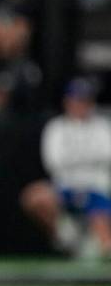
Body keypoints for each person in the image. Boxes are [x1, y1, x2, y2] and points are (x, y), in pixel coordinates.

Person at [20, 78, 111, 258]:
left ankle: (94, 248)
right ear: (67, 102)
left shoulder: (102, 126)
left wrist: (75, 158)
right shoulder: (56, 127)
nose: (80, 105)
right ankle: (65, 233)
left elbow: (108, 157)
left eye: (85, 100)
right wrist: (89, 157)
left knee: (103, 238)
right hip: (65, 189)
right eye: (77, 100)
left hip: (96, 188)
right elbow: (53, 162)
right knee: (34, 197)